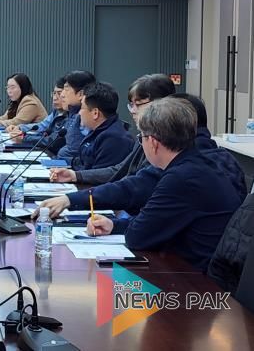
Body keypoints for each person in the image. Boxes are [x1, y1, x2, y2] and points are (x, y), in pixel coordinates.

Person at [86, 98, 241, 272]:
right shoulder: (197, 165)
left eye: (141, 138)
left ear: (153, 142)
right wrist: (114, 226)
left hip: (192, 277)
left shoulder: (182, 178)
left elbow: (137, 237)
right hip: (190, 267)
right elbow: (152, 223)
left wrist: (122, 226)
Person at [38, 91, 246, 218]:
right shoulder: (218, 157)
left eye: (139, 104)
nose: (134, 111)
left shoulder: (180, 160)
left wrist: (73, 198)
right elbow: (127, 178)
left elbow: (135, 190)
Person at [49, 74, 175, 185]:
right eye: (131, 105)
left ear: (161, 104)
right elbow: (119, 170)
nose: (132, 111)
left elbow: (135, 184)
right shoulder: (142, 137)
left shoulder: (117, 138)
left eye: (138, 104)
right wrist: (75, 175)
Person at [70, 82, 134, 170]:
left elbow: (99, 175)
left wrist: (74, 175)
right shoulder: (98, 130)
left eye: (82, 108)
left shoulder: (114, 139)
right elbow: (83, 162)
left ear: (95, 113)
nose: (79, 113)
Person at [6, 77, 68, 152]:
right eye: (54, 93)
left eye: (59, 94)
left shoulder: (30, 101)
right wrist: (20, 128)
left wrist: (24, 137)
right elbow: (43, 125)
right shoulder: (57, 111)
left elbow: (53, 140)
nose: (55, 98)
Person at [54, 70, 96, 163]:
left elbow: (74, 152)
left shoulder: (84, 117)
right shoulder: (72, 112)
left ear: (81, 94)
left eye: (66, 89)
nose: (62, 95)